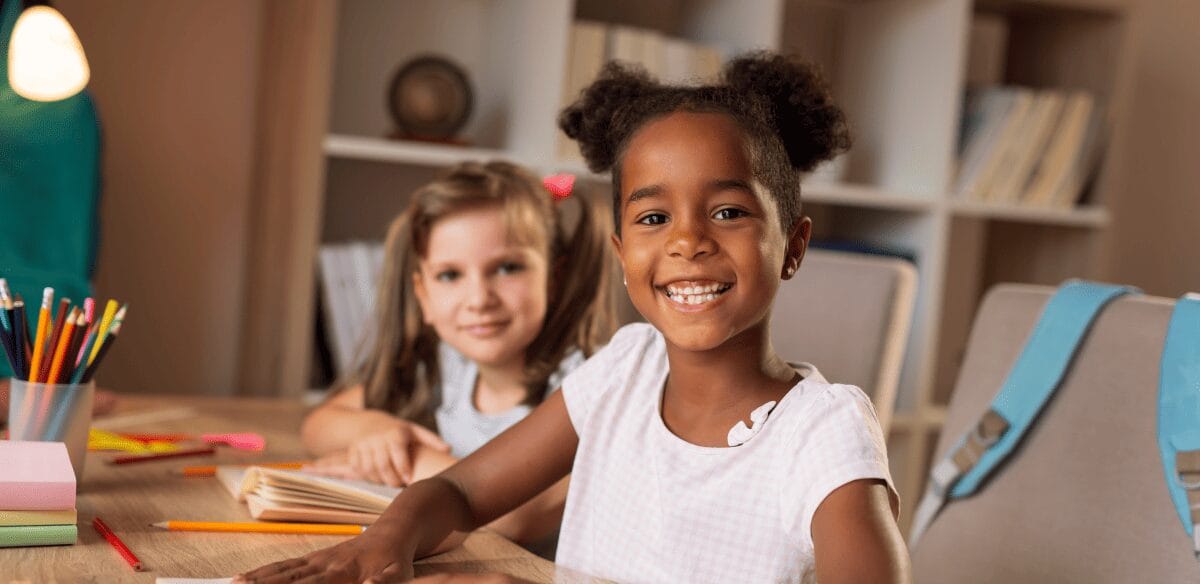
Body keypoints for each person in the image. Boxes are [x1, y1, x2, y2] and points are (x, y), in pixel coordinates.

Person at [237, 53, 909, 584]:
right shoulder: (624, 370)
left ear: (792, 246)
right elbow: (462, 492)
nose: (686, 241)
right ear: (622, 254)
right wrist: (382, 542)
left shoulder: (824, 434)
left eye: (728, 211)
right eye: (653, 218)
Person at [301, 161, 615, 545]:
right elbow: (317, 425)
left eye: (507, 268)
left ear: (553, 278)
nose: (479, 299)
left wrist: (402, 460)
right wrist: (377, 433)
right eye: (450, 275)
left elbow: (517, 515)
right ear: (424, 297)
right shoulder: (449, 369)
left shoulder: (592, 382)